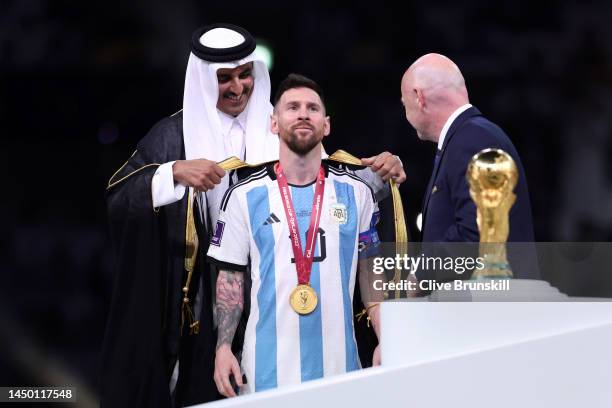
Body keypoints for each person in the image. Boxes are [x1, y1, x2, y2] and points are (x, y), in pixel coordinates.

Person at [102, 24, 404, 407]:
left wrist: (382, 173)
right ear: (202, 79)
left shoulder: (282, 121)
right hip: (204, 301)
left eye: (245, 74)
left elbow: (333, 190)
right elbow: (119, 196)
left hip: (280, 293)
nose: (238, 87)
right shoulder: (172, 136)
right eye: (224, 78)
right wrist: (174, 172)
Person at [207, 74, 383, 396]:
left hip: (340, 370)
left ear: (326, 125)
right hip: (264, 374)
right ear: (274, 123)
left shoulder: (357, 193)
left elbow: (370, 272)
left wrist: (386, 338)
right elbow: (229, 277)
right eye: (292, 107)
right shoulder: (243, 195)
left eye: (312, 108)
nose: (303, 114)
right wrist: (222, 348)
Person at [400, 53, 534, 243]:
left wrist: (422, 271)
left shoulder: (473, 141)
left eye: (404, 104)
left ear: (419, 97)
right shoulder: (468, 138)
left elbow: (475, 235)